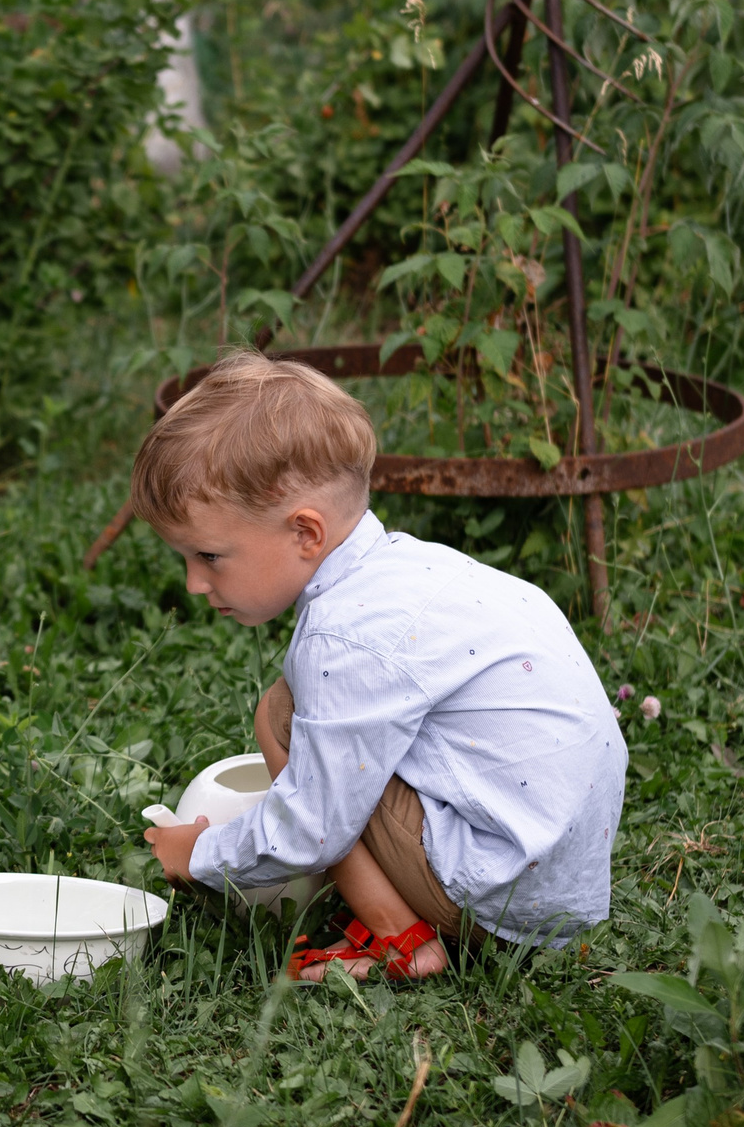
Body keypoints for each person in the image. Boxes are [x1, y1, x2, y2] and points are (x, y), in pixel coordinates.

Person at [133, 354, 624, 980]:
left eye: (208, 555)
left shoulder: (347, 638)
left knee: (283, 715)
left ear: (306, 533)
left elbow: (313, 825)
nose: (195, 583)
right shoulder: (416, 571)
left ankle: (401, 938)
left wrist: (199, 853)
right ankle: (421, 917)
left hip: (505, 888)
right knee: (310, 720)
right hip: (560, 871)